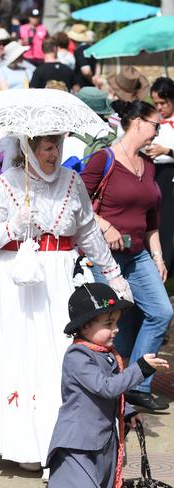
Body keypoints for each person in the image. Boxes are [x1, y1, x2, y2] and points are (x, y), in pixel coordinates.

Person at [0, 133, 132, 474]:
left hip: (59, 277)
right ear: (30, 150)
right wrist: (12, 225)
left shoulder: (72, 181)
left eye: (58, 147)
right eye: (48, 148)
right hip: (15, 282)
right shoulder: (8, 184)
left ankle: (57, 440)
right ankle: (21, 441)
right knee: (21, 353)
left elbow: (89, 232)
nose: (55, 154)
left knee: (57, 353)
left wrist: (113, 274)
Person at [82, 100, 173, 411]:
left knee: (161, 312)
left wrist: (158, 257)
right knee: (112, 321)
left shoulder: (149, 165)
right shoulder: (103, 160)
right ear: (136, 122)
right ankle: (111, 391)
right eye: (154, 125)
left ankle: (135, 384)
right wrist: (104, 223)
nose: (157, 132)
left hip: (139, 255)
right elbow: (77, 203)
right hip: (105, 258)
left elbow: (152, 221)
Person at [47, 283, 169, 488]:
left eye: (117, 323)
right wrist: (140, 368)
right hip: (78, 444)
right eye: (109, 324)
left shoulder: (104, 353)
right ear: (84, 325)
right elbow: (106, 387)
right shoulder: (77, 356)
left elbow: (111, 394)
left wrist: (128, 411)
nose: (116, 329)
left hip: (103, 441)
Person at [146, 77, 174, 273]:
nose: (159, 107)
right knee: (159, 223)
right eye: (155, 103)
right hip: (157, 176)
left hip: (171, 177)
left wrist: (167, 151)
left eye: (163, 103)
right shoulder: (157, 122)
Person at [68, 24, 98, 90]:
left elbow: (86, 71)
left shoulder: (80, 50)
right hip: (90, 87)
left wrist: (92, 81)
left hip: (83, 87)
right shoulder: (90, 48)